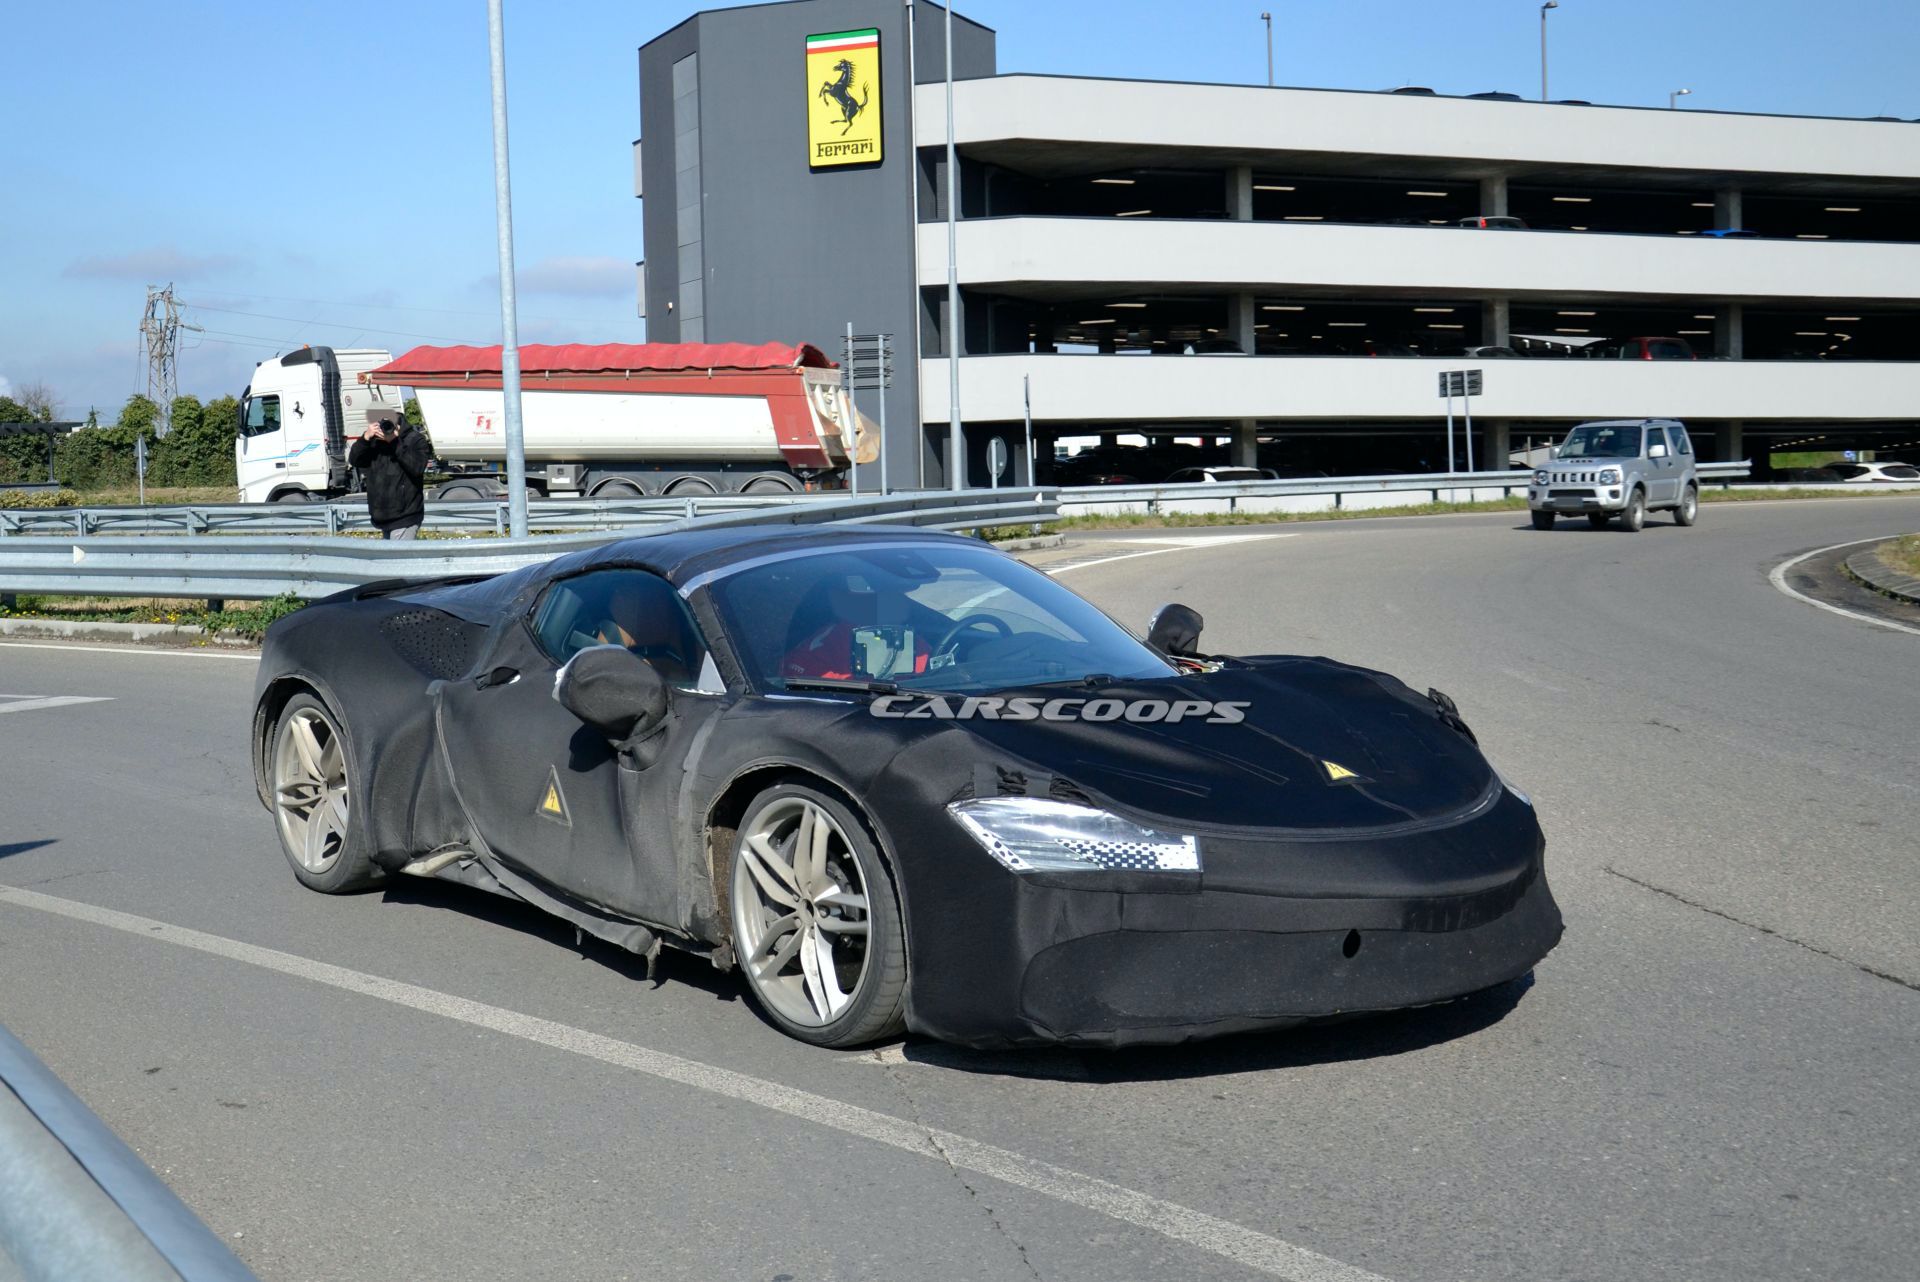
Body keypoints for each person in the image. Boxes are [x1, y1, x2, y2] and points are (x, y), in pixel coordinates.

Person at [347, 410, 430, 540]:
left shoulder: (415, 439)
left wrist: (394, 442)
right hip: (383, 515)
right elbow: (355, 461)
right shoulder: (375, 441)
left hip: (406, 515)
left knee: (398, 559)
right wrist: (365, 439)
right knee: (390, 559)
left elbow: (417, 468)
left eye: (389, 425)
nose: (386, 429)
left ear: (398, 426)